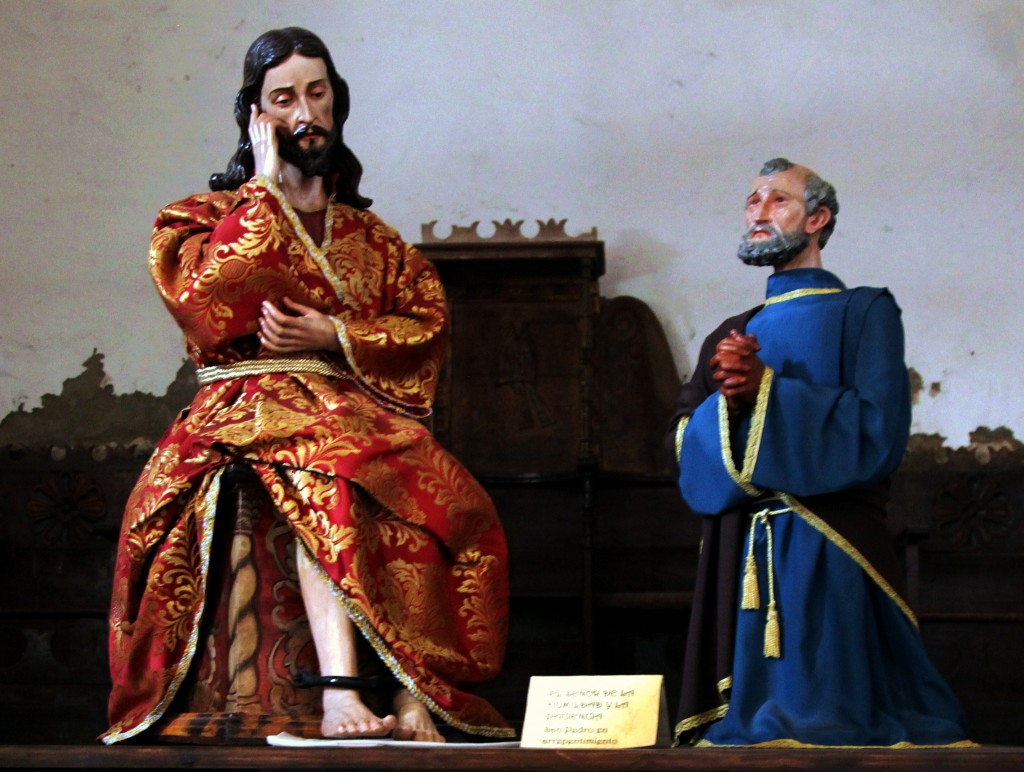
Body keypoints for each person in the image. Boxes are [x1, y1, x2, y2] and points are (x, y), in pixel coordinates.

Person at [101, 27, 512, 744]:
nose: (305, 113)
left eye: (317, 94)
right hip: (240, 407)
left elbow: (423, 324)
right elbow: (204, 302)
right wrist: (262, 191)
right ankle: (339, 694)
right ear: (255, 115)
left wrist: (334, 334)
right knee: (326, 477)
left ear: (336, 102)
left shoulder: (375, 241)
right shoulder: (199, 219)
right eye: (284, 98)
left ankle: (418, 690)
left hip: (347, 409)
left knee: (456, 508)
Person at [668, 158, 973, 748]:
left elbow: (877, 429)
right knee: (745, 733)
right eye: (752, 200)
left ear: (818, 218)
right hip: (744, 551)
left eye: (777, 199)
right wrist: (728, 407)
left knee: (836, 723)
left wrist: (766, 391)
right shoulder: (728, 334)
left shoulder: (865, 312)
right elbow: (680, 442)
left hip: (832, 541)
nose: (759, 211)